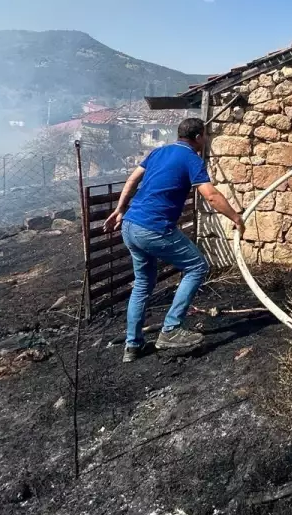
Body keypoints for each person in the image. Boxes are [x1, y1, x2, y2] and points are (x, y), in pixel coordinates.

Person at [103, 117, 245, 362]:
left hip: (130, 226)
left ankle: (133, 345)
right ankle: (170, 329)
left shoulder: (158, 152)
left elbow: (132, 179)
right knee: (197, 267)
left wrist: (119, 209)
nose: (206, 140)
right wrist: (236, 217)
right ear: (198, 137)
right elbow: (210, 195)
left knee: (143, 284)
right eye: (205, 136)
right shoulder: (191, 158)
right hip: (153, 227)